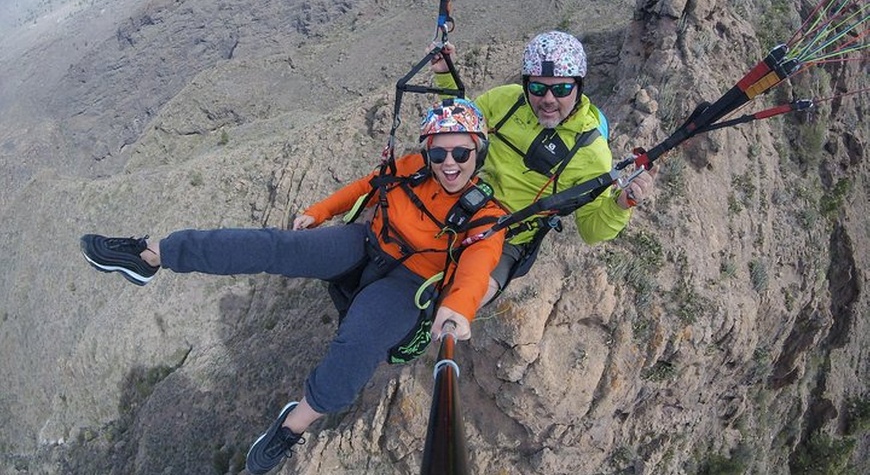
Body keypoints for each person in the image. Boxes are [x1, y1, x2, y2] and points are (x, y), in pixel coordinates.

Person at [79, 98, 506, 475]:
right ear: (427, 152)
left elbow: (478, 262)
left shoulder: (486, 213)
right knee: (277, 247)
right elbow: (367, 187)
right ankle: (150, 254)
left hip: (407, 284)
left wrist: (459, 308)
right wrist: (319, 212)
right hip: (365, 244)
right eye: (439, 152)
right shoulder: (412, 168)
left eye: (462, 152)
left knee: (357, 347)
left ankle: (291, 425)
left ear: (477, 152)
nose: (449, 163)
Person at [429, 30, 656, 303]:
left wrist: (622, 204)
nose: (548, 99)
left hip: (507, 237)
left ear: (578, 86)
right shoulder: (506, 100)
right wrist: (445, 74)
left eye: (560, 89)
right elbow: (456, 128)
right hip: (461, 202)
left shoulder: (591, 152)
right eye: (538, 88)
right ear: (526, 85)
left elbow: (591, 231)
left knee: (461, 300)